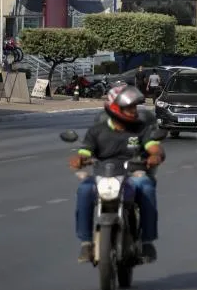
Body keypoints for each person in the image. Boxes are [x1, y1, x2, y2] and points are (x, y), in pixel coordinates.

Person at [70, 85, 165, 263]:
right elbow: (86, 151)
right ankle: (86, 243)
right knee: (84, 190)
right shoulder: (96, 131)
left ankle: (147, 242)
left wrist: (155, 155)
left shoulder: (141, 129)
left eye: (135, 107)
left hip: (132, 174)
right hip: (102, 175)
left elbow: (152, 146)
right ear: (115, 108)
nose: (134, 111)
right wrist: (79, 159)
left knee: (146, 187)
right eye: (129, 107)